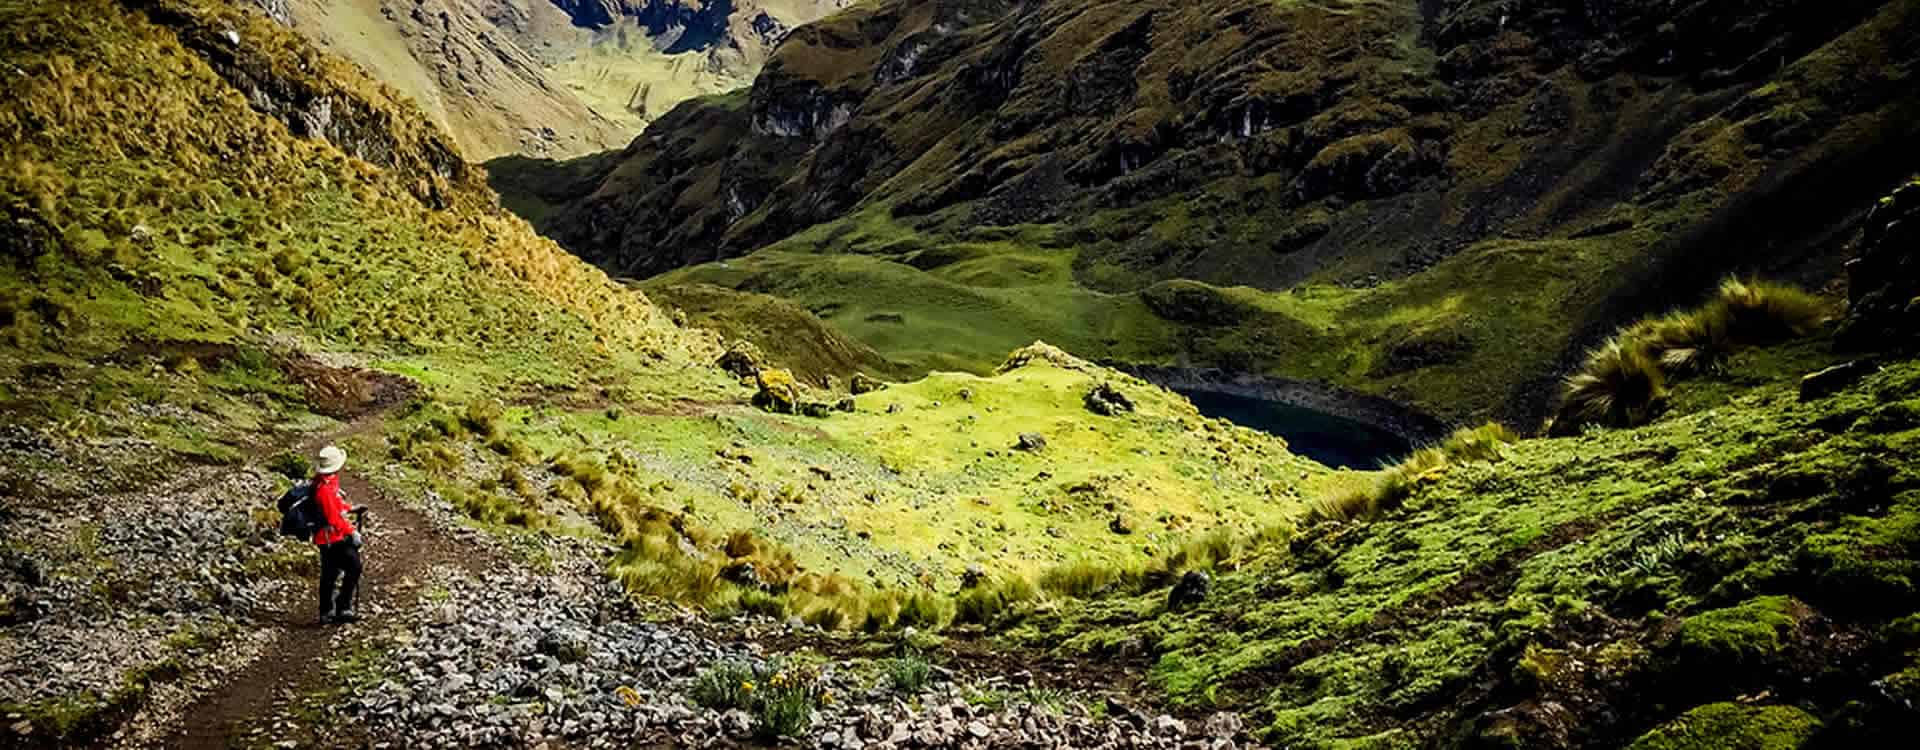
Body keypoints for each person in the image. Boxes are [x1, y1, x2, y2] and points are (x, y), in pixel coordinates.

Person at [312, 445, 364, 624]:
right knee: (354, 566)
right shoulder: (325, 489)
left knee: (330, 572)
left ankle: (327, 610)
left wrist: (350, 509)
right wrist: (352, 532)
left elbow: (336, 508)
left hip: (325, 538)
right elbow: (334, 517)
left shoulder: (323, 483)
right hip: (332, 538)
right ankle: (342, 606)